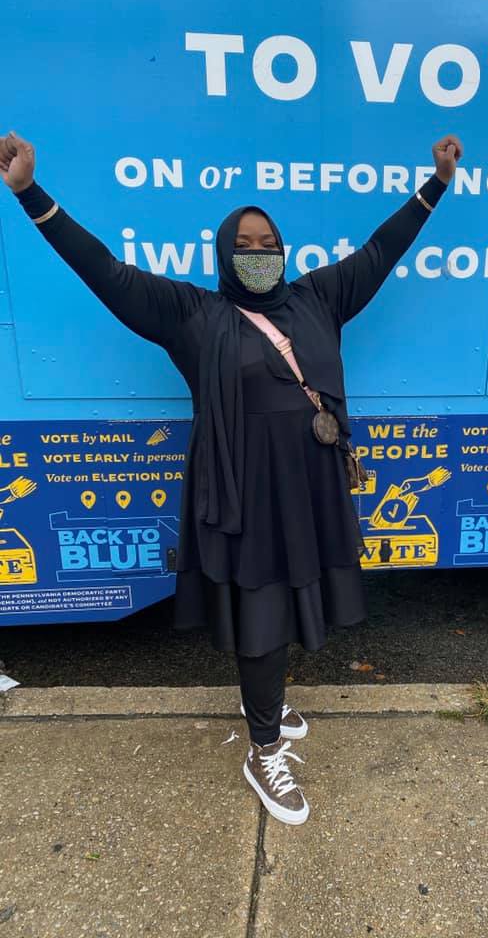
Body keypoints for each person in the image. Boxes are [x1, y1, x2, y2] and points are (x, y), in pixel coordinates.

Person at [0, 130, 463, 825]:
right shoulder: (195, 316)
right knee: (261, 614)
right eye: (243, 243)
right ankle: (263, 747)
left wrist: (436, 184)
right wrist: (31, 192)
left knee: (286, 607)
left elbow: (379, 251)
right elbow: (107, 273)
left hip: (307, 490)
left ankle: (266, 701)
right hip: (245, 498)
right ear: (224, 254)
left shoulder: (318, 299)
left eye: (267, 240)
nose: (257, 251)